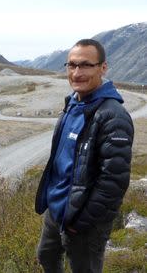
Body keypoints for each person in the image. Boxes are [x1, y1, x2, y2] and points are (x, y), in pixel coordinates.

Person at [35, 39, 134, 272]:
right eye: (71, 65)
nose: (77, 73)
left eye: (86, 65)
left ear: (103, 68)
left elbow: (114, 182)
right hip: (57, 209)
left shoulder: (113, 116)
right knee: (46, 257)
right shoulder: (72, 104)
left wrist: (81, 222)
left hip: (84, 221)